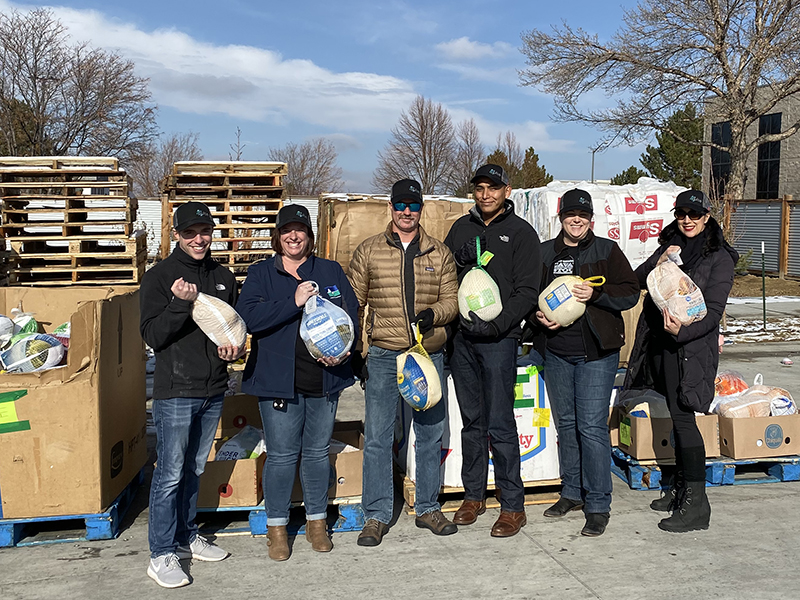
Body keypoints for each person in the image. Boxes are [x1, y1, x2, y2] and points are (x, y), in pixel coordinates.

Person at [236, 204, 359, 561]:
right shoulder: (262, 273)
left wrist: (344, 351)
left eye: (300, 230)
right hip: (278, 381)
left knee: (318, 454)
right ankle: (277, 527)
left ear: (309, 236)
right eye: (287, 230)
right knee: (282, 456)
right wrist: (293, 301)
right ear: (278, 236)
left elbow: (350, 312)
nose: (294, 236)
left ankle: (316, 522)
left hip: (324, 378)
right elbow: (250, 318)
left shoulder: (330, 270)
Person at [348, 178, 459, 546]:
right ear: (391, 208)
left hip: (427, 356)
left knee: (429, 433)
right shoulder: (369, 251)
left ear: (421, 209)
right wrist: (357, 352)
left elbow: (453, 301)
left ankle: (427, 506)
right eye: (401, 205)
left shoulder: (439, 253)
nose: (406, 212)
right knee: (379, 437)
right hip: (383, 355)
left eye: (413, 206)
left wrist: (434, 315)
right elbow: (354, 302)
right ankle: (377, 515)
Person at [140, 201, 243, 588]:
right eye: (190, 233)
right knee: (168, 474)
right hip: (176, 391)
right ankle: (161, 553)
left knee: (194, 470)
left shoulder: (223, 276)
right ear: (176, 234)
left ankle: (185, 537)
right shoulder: (159, 277)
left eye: (205, 231)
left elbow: (231, 327)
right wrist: (179, 304)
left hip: (213, 388)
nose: (198, 239)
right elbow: (152, 336)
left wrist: (234, 349)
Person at [624, 189, 738, 533]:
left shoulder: (719, 257)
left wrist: (681, 332)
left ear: (707, 217)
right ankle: (678, 487)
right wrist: (660, 262)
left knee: (685, 419)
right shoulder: (670, 245)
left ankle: (697, 505)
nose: (687, 220)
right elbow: (639, 277)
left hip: (688, 349)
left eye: (694, 214)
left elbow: (713, 313)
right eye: (681, 214)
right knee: (673, 415)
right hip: (660, 346)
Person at [530, 189, 639, 537]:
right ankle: (572, 492)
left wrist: (598, 295)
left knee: (591, 427)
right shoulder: (546, 252)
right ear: (561, 217)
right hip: (557, 352)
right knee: (566, 424)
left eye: (583, 214)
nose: (576, 219)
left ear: (591, 218)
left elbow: (630, 292)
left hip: (596, 353)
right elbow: (529, 295)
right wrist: (536, 319)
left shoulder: (606, 250)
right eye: (570, 213)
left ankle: (598, 504)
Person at [444, 164, 541, 538]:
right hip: (463, 339)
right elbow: (442, 275)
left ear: (507, 191)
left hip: (499, 341)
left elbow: (526, 292)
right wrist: (457, 259)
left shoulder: (521, 234)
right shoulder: (460, 229)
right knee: (473, 421)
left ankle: (513, 505)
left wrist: (499, 326)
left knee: (500, 422)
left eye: (493, 188)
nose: (485, 194)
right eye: (480, 188)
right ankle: (473, 495)